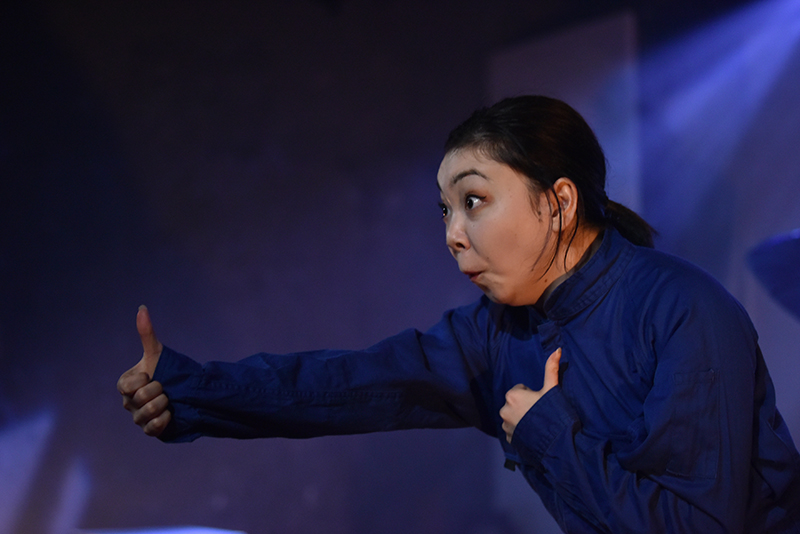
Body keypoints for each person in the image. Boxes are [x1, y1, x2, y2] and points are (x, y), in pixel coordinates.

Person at [118, 95, 800, 533]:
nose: (451, 234)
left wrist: (548, 431)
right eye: (445, 211)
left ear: (558, 203)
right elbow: (351, 383)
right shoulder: (496, 331)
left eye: (473, 202)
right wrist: (189, 392)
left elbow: (699, 525)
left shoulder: (682, 309)